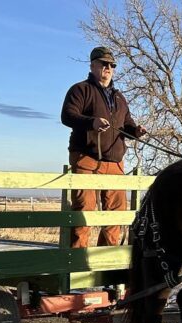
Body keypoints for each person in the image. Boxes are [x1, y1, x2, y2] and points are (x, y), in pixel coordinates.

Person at [61, 46, 146, 248]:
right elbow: (67, 116)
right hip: (86, 157)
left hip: (114, 161)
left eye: (112, 65)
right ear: (92, 66)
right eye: (104, 64)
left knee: (115, 214)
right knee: (84, 210)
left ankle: (106, 257)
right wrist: (92, 122)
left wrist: (136, 131)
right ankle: (78, 258)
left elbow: (127, 124)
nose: (108, 68)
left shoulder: (119, 98)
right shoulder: (80, 90)